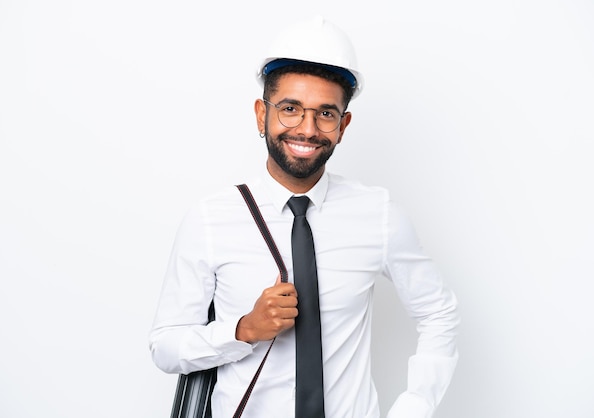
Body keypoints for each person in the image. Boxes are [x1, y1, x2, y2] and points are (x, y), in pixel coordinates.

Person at [149, 15, 459, 418]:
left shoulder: (378, 214)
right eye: (290, 108)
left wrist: (415, 405)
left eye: (326, 114)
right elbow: (165, 346)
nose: (307, 129)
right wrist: (243, 330)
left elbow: (438, 312)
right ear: (262, 113)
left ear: (343, 125)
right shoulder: (210, 220)